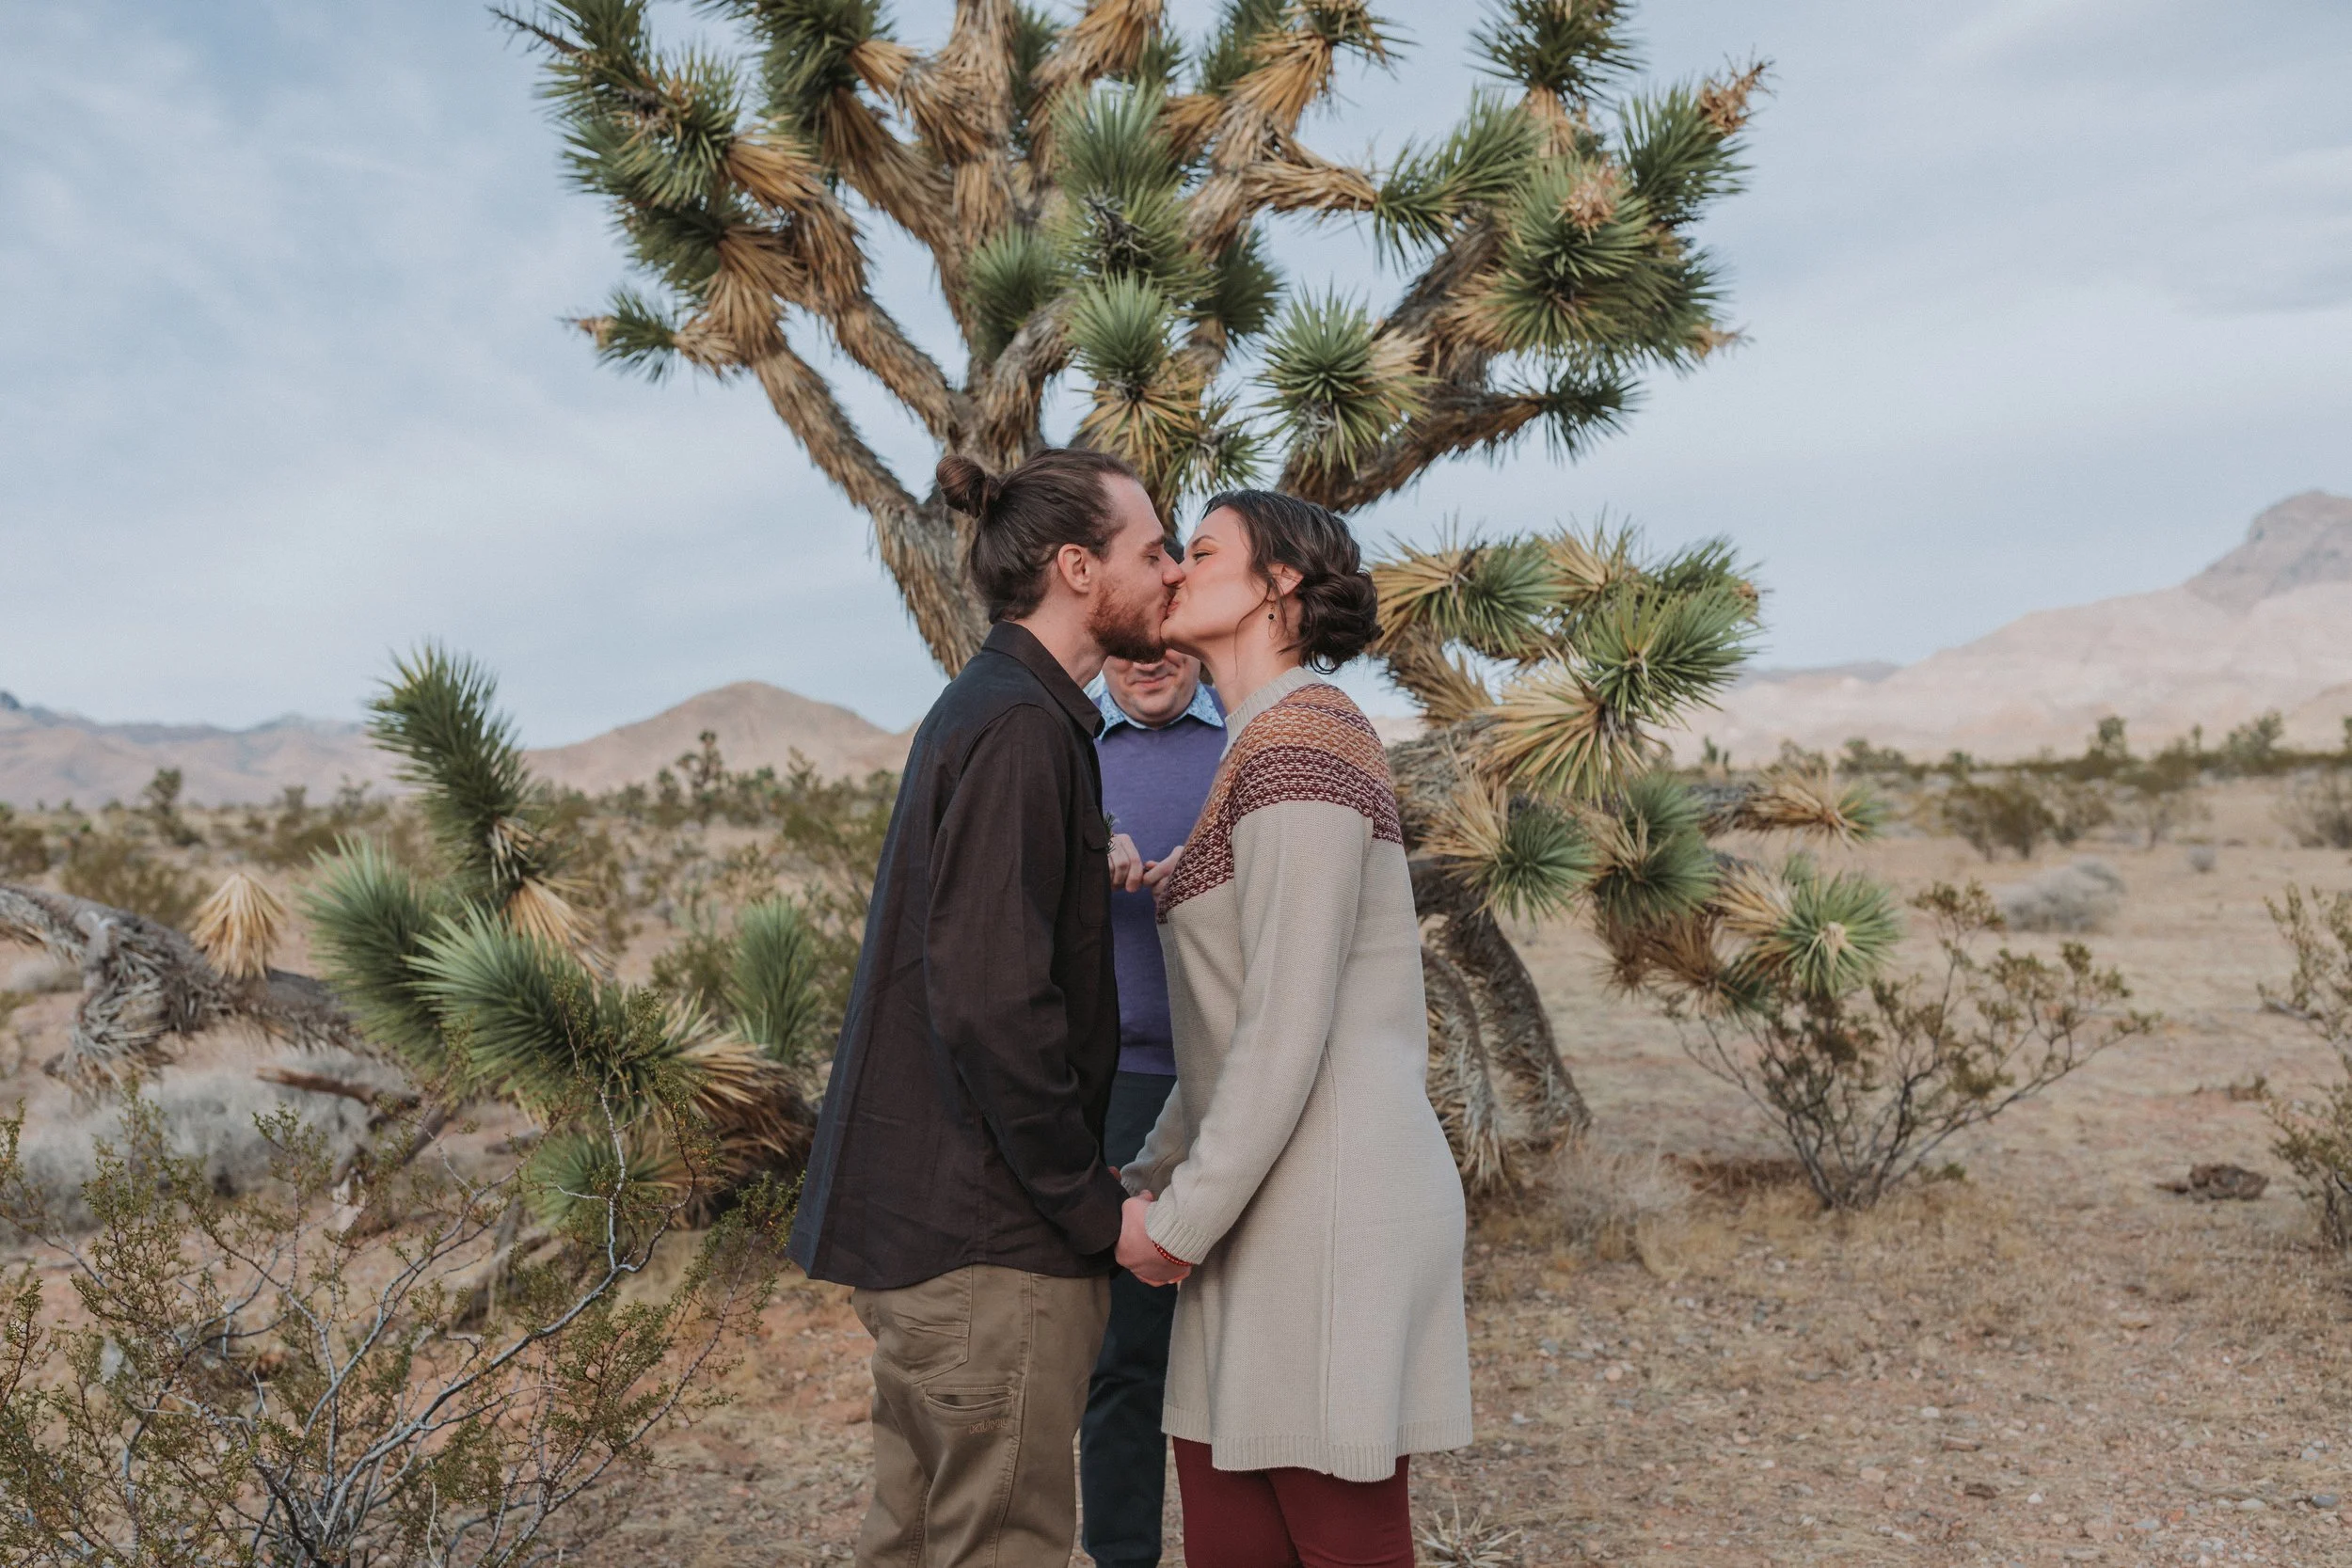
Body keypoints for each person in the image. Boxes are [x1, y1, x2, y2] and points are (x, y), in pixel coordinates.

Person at [787, 447, 1184, 1568]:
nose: (1167, 572)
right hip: (988, 1250)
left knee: (912, 1539)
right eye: (1151, 549)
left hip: (932, 1233)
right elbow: (993, 999)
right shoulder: (1019, 727)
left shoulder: (998, 709)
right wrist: (1092, 1203)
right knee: (992, 1543)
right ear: (1075, 566)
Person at [1120, 490, 1473, 1568]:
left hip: (1328, 1214)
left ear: (1277, 586)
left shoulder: (1303, 741)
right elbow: (1234, 1025)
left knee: (1340, 1543)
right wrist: (1154, 1178)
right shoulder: (1259, 743)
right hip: (1260, 1205)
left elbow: (1286, 1024)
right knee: (1231, 1539)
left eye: (1205, 551)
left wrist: (1176, 1221)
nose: (1175, 570)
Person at [1081, 650, 1226, 1568]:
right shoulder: (1070, 748)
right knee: (1124, 1351)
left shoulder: (1244, 740)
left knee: (1239, 1340)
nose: (1146, 662)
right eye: (1125, 645)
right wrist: (1080, 845)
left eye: (1165, 637)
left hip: (1246, 1073)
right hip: (1123, 1081)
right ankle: (1124, 1553)